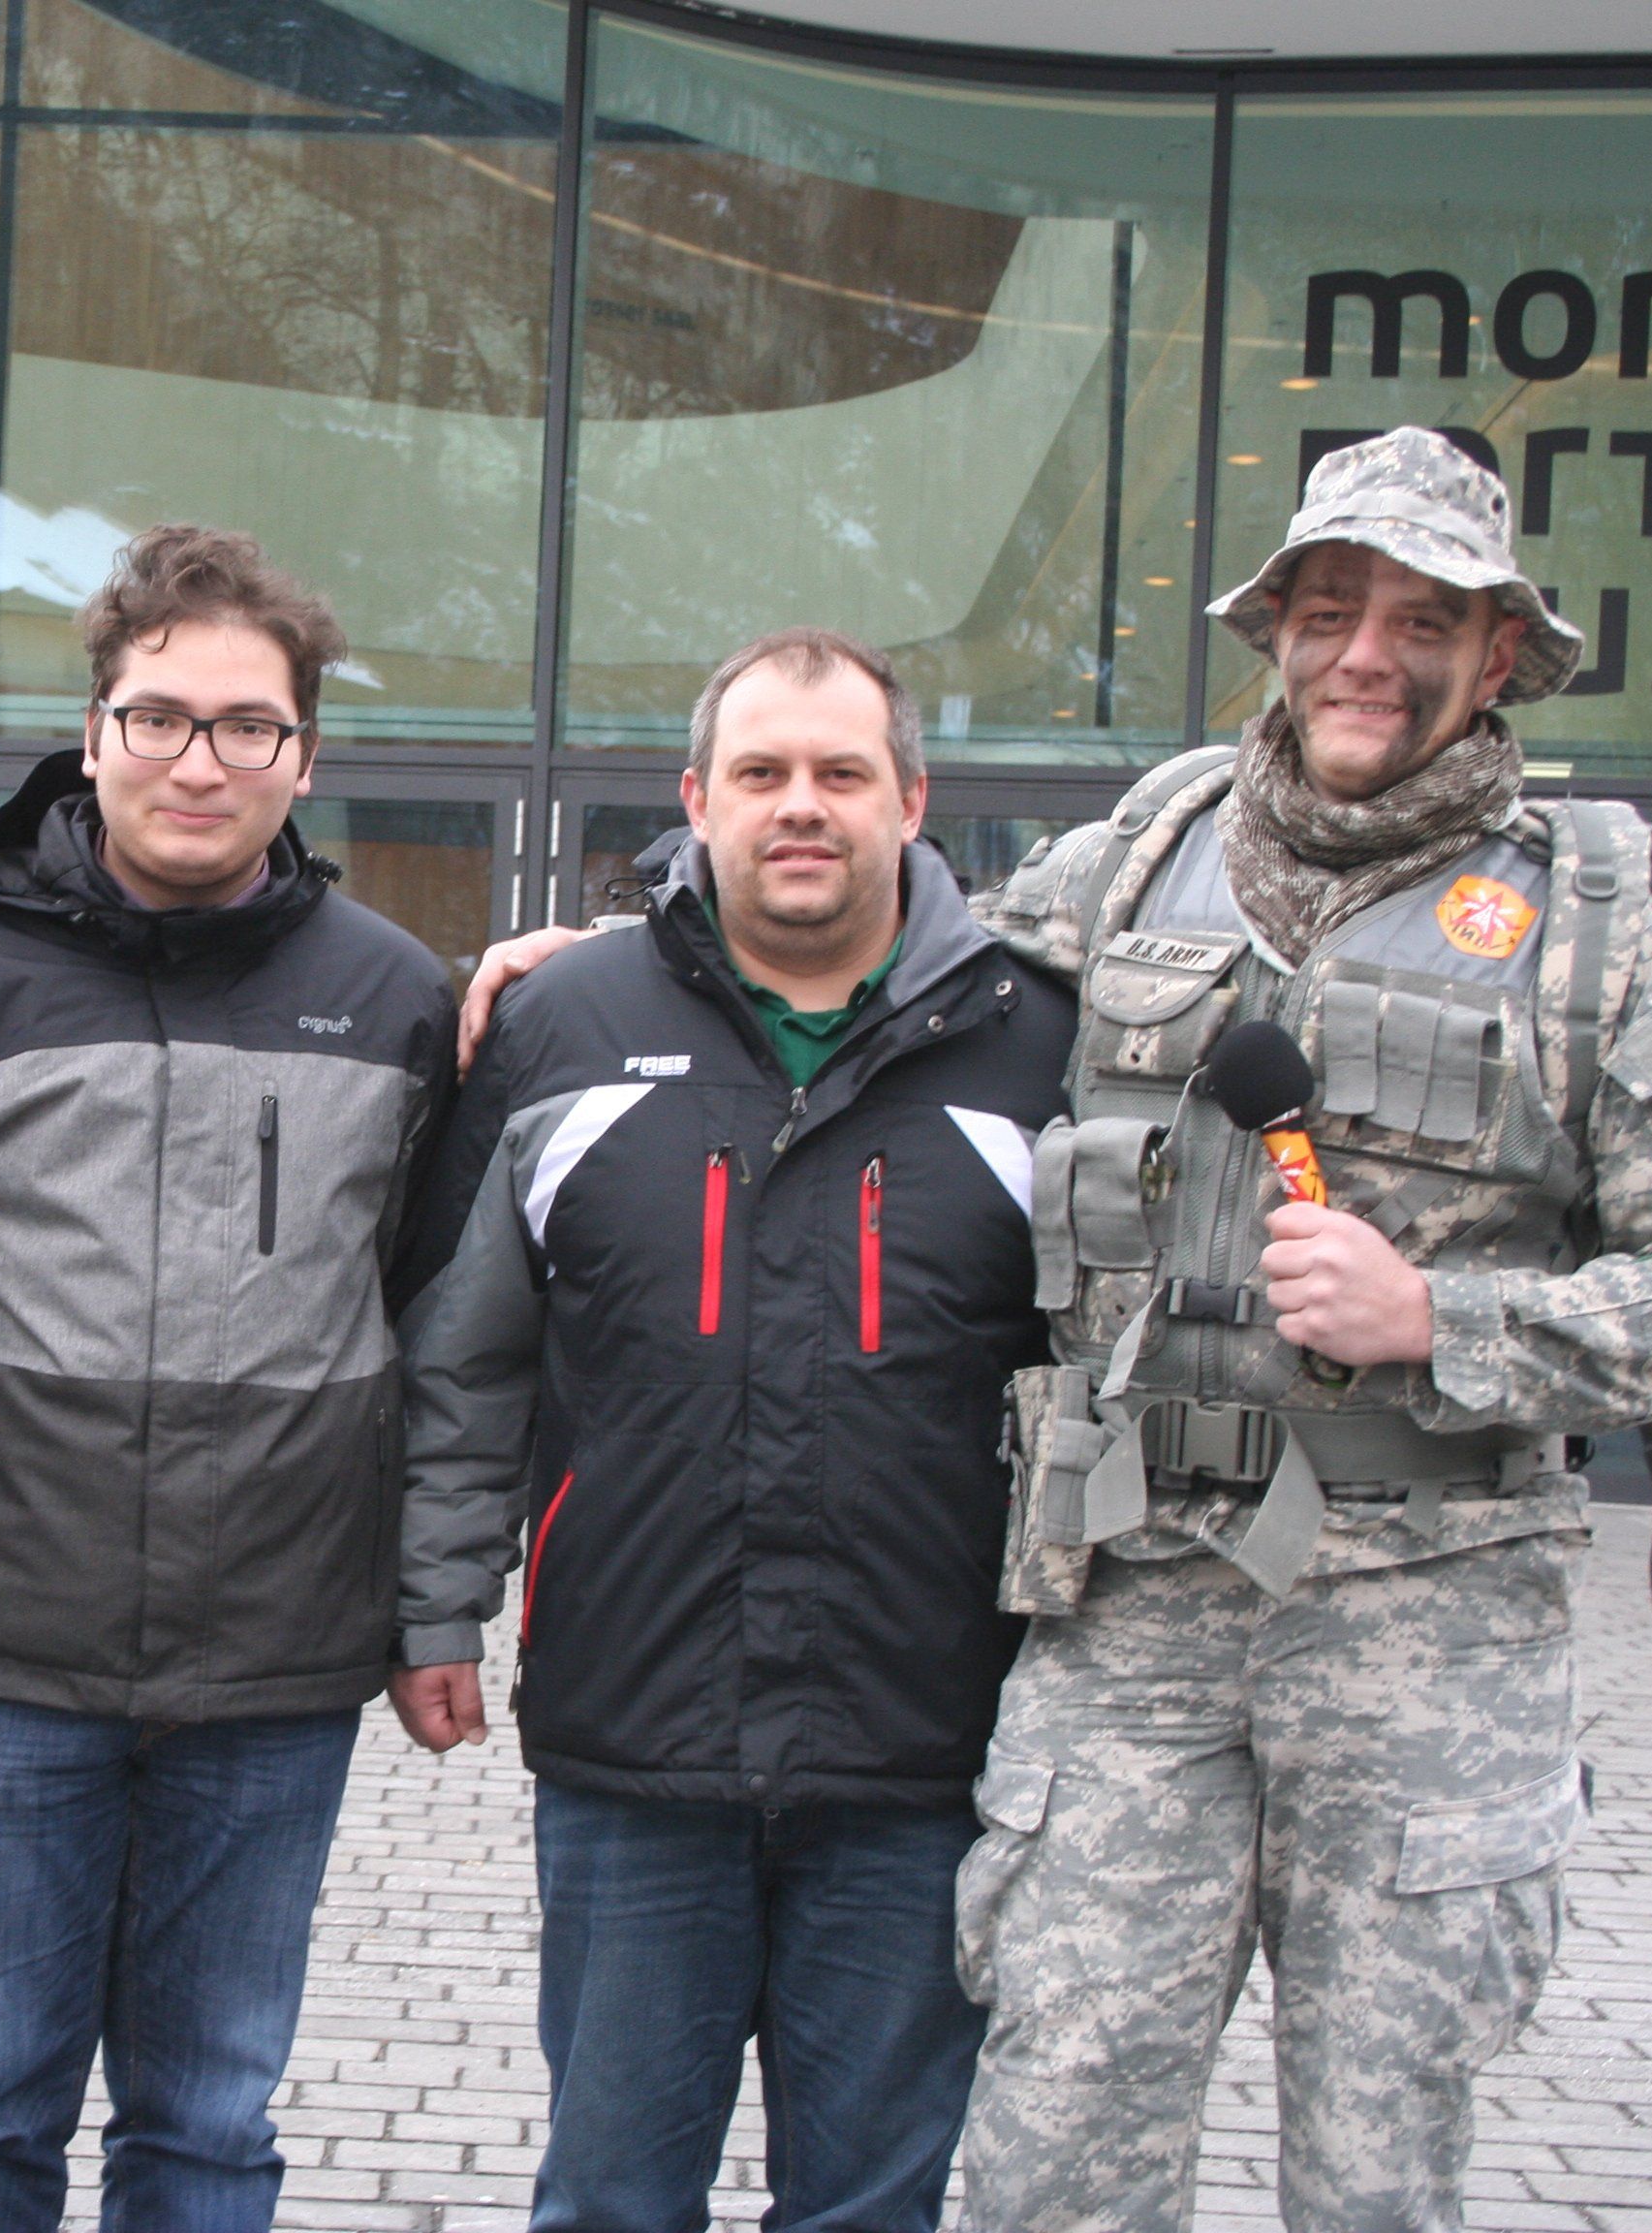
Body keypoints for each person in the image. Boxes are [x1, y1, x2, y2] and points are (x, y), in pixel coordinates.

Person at [461, 427, 1652, 2226]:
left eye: (1422, 620)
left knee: (1374, 2177)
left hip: (1426, 1626)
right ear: (1276, 632)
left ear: (1499, 655)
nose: (1366, 654)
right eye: (1330, 609)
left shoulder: (1589, 934)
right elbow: (857, 939)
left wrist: (1446, 1315)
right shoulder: (1141, 855)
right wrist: (623, 949)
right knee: (1052, 2164)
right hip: (1136, 1608)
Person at [0, 523, 457, 2232]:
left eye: (247, 725)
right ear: (92, 734)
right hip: (7, 1648)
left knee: (211, 2117)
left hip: (276, 1657)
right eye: (159, 718)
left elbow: (413, 1294)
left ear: (303, 755)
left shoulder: (393, 996)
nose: (199, 760)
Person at [390, 628, 1075, 2231]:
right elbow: (468, 1362)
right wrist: (435, 1604)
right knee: (612, 2200)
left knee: (871, 2209)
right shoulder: (561, 1024)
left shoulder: (1041, 1043)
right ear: (697, 801)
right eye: (760, 771)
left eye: (841, 771)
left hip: (925, 1751)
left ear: (911, 800)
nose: (800, 805)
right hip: (636, 1741)